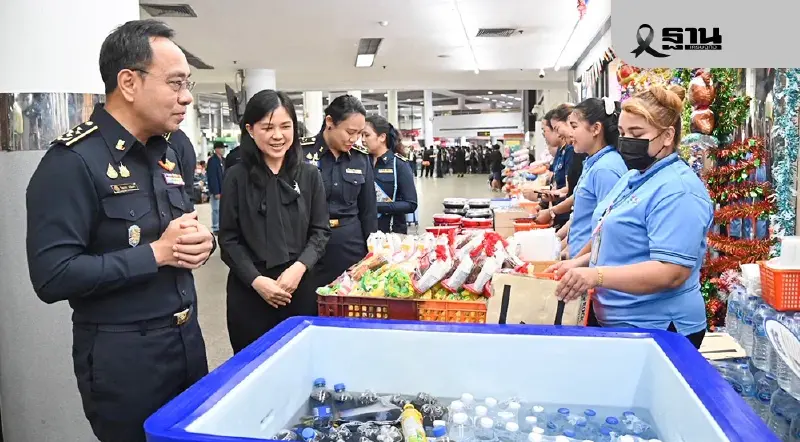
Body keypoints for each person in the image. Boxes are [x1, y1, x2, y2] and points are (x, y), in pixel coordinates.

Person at [25, 19, 214, 441]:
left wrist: (204, 242)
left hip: (187, 341)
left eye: (189, 84)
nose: (186, 98)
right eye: (176, 83)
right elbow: (52, 276)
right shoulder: (72, 163)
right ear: (128, 82)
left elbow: (178, 229)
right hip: (124, 359)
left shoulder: (174, 149)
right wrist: (155, 255)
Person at [547, 85, 713, 349]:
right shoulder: (634, 177)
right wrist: (579, 263)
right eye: (623, 133)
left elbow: (671, 272)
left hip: (658, 328)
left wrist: (596, 276)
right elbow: (617, 240)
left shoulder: (678, 190)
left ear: (668, 135)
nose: (625, 141)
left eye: (637, 134)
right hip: (621, 321)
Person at [219, 90, 330, 353]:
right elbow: (228, 238)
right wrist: (257, 281)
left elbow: (320, 231)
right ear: (251, 129)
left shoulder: (310, 175)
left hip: (298, 287)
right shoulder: (236, 176)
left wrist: (299, 268)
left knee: (300, 361)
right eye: (267, 127)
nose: (278, 136)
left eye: (285, 126)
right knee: (251, 365)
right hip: (250, 292)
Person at [302, 95, 377, 288]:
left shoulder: (361, 159)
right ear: (330, 122)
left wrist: (372, 252)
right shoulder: (300, 154)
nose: (354, 139)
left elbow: (368, 210)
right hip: (307, 245)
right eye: (350, 132)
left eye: (360, 133)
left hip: (349, 245)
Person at [565, 97, 628, 259]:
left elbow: (605, 229)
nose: (569, 133)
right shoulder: (594, 162)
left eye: (574, 126)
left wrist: (577, 262)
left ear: (595, 129)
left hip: (590, 266)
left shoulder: (605, 169)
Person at [363, 114, 418, 234]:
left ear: (382, 137)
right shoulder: (360, 163)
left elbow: (411, 204)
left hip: (391, 234)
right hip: (362, 232)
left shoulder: (398, 164)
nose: (362, 139)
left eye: (367, 135)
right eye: (361, 135)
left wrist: (374, 206)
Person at [535, 104, 576, 230]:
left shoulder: (573, 152)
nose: (558, 133)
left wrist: (550, 211)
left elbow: (575, 194)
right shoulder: (563, 150)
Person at [207, 141, 225, 234]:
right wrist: (216, 191)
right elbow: (212, 177)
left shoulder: (223, 160)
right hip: (216, 190)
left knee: (222, 209)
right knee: (216, 209)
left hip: (224, 189)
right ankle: (216, 227)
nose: (223, 150)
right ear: (216, 149)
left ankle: (221, 226)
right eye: (221, 148)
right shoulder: (212, 161)